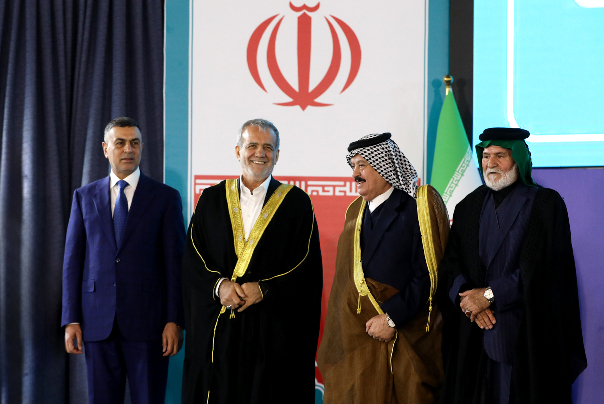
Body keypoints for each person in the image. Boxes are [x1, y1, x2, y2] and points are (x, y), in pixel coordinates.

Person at [439, 127, 587, 404]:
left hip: (523, 337)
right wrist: (469, 299)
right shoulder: (467, 206)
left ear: (518, 159)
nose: (490, 164)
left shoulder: (545, 204)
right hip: (472, 337)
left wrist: (489, 296)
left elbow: (545, 270)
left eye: (500, 155)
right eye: (486, 156)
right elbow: (451, 264)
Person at [180, 119, 323, 404]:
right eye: (252, 145)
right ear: (238, 151)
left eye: (268, 147)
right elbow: (193, 258)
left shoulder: (297, 203)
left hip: (271, 331)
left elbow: (305, 268)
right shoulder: (210, 199)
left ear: (277, 155)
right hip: (219, 327)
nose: (260, 153)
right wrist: (219, 286)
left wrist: (265, 289)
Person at [317, 133, 449, 404]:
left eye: (362, 165)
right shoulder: (354, 212)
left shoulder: (415, 208)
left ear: (383, 166)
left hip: (404, 335)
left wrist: (391, 319)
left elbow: (428, 275)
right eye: (353, 166)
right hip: (358, 336)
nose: (355, 173)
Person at [61, 117, 185, 404]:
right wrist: (71, 319)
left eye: (134, 143)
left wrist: (174, 320)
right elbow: (72, 263)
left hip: (150, 325)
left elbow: (175, 265)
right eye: (120, 143)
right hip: (96, 323)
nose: (128, 149)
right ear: (106, 149)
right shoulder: (84, 197)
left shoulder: (165, 198)